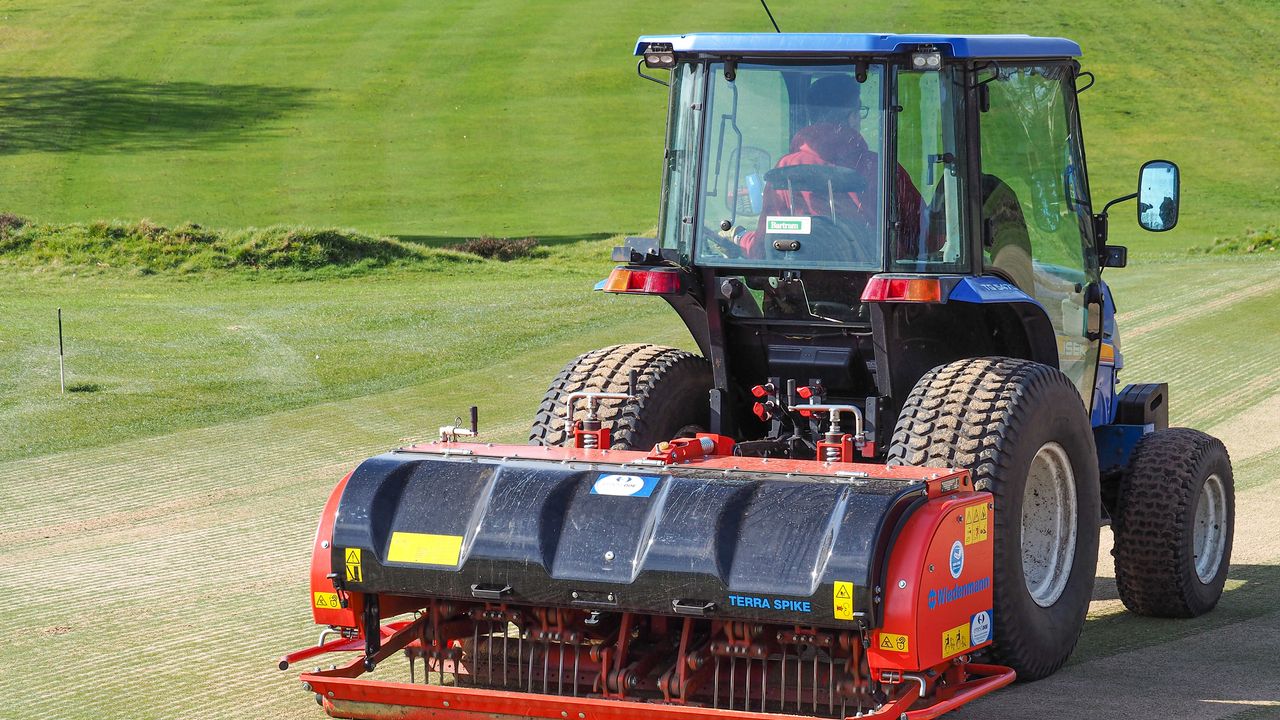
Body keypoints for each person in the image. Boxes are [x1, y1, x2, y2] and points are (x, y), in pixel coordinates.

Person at [735, 75, 924, 260]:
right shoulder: (881, 168)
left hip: (795, 286)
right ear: (852, 117)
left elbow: (762, 248)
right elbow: (925, 235)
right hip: (869, 284)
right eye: (860, 111)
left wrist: (741, 237)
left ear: (812, 117)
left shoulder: (786, 168)